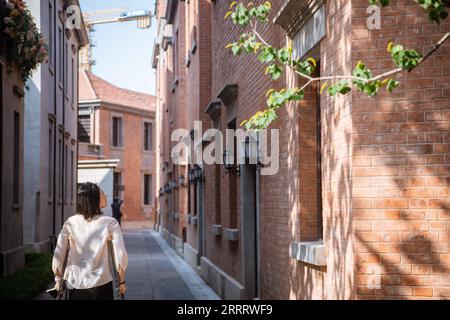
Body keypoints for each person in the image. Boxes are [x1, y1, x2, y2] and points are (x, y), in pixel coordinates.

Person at [52, 182, 128, 300]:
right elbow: (120, 257)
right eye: (102, 193)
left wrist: (57, 279)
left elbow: (59, 253)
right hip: (101, 286)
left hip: (74, 285)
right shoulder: (110, 223)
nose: (105, 195)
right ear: (94, 199)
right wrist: (121, 282)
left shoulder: (70, 223)